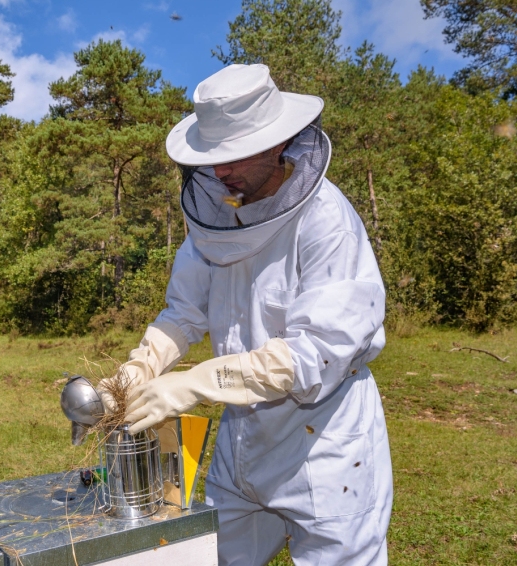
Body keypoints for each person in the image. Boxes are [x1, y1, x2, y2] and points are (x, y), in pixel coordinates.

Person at [110, 64, 392, 565]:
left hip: (324, 448)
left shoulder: (326, 221)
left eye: (234, 157)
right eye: (214, 159)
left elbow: (315, 354)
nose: (221, 174)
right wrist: (142, 366)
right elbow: (183, 312)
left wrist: (194, 383)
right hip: (242, 445)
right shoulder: (213, 224)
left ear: (275, 143)